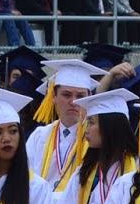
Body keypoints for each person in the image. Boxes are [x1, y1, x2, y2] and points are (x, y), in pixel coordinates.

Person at [23, 60, 100, 189]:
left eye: (80, 95)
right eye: (66, 95)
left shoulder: (96, 138)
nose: (74, 101)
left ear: (89, 98)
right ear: (53, 96)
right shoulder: (39, 136)